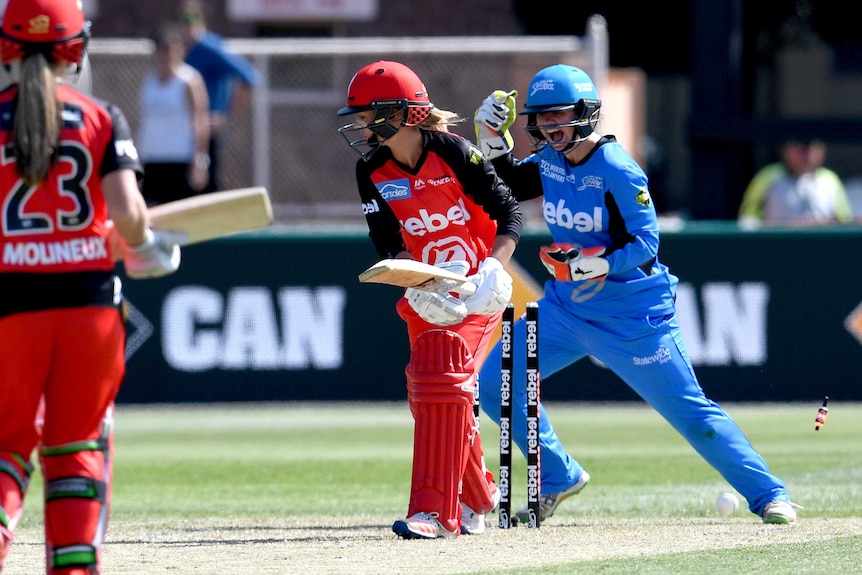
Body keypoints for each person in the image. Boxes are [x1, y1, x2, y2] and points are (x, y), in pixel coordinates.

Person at [472, 64, 801, 525]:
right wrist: (491, 140)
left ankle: (769, 494)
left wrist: (600, 263)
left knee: (694, 417)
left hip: (633, 318)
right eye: (541, 119)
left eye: (558, 117)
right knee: (493, 384)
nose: (548, 127)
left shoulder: (618, 170)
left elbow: (647, 243)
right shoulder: (550, 160)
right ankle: (557, 475)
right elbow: (507, 185)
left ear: (585, 114)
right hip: (567, 310)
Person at [0, 0, 182, 573]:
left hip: (10, 314)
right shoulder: (102, 115)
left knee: (6, 452)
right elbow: (129, 216)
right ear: (75, 47)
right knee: (77, 450)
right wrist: (149, 248)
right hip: (89, 313)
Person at [336, 60, 523, 539]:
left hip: (480, 290)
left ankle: (436, 513)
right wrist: (418, 287)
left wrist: (494, 270)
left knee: (440, 372)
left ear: (401, 113)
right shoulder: (371, 170)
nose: (359, 123)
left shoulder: (455, 152)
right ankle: (481, 496)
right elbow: (388, 242)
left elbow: (508, 214)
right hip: (427, 293)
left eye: (366, 114)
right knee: (430, 395)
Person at [176, 0, 259, 194]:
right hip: (185, 130)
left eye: (191, 19)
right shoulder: (181, 50)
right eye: (182, 20)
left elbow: (249, 77)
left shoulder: (209, 47)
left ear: (201, 20)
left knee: (206, 186)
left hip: (207, 128)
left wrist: (226, 115)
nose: (186, 26)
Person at [137, 22, 211, 205]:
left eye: (171, 49)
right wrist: (137, 161)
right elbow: (144, 122)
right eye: (162, 50)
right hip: (153, 160)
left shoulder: (189, 80)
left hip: (180, 159)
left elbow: (200, 120)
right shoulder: (149, 81)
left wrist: (199, 161)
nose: (166, 55)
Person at [738, 138, 852, 227]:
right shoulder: (768, 177)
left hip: (820, 248)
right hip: (777, 247)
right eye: (799, 148)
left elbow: (844, 220)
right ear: (786, 150)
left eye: (811, 148)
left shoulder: (830, 179)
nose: (805, 154)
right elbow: (748, 218)